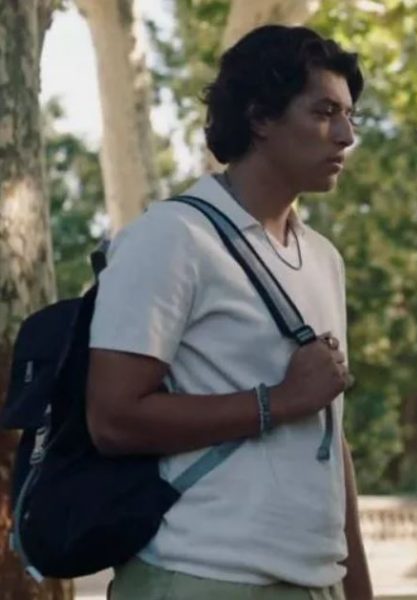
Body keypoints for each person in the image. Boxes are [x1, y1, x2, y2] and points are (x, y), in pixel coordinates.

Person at [86, 25, 372, 600]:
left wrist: (357, 586)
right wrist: (278, 401)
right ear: (260, 117)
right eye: (324, 113)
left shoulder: (323, 257)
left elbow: (327, 431)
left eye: (350, 116)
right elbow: (112, 419)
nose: (346, 135)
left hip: (317, 581)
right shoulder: (172, 237)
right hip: (200, 573)